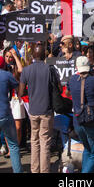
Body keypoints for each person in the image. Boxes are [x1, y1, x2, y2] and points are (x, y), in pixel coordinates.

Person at [19, 45, 54, 173]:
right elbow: (57, 89)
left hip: (33, 110)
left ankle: (35, 169)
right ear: (44, 56)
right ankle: (44, 170)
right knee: (45, 141)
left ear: (33, 56)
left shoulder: (26, 70)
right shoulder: (50, 69)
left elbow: (21, 92)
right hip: (46, 110)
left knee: (34, 141)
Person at [67, 56, 94, 173]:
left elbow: (68, 93)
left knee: (88, 149)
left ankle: (86, 170)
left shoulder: (72, 80)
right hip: (91, 118)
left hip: (77, 119)